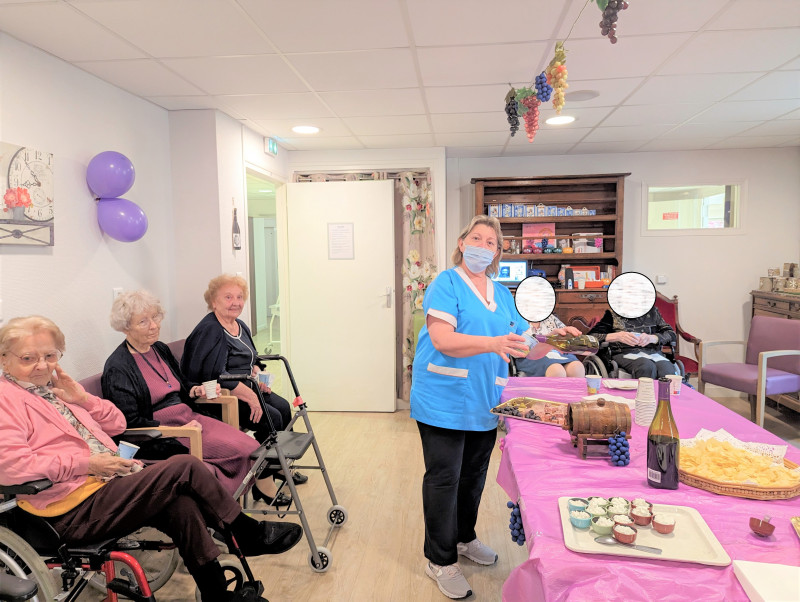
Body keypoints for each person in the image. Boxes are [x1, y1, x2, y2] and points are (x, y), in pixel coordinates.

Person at [0, 316, 302, 602]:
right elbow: (11, 467)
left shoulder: (52, 391)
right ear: (4, 358)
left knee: (181, 505)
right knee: (184, 467)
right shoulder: (6, 399)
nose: (42, 365)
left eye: (50, 356)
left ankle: (217, 594)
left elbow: (117, 424)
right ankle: (246, 532)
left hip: (106, 484)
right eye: (28, 358)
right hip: (66, 508)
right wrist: (88, 464)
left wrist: (82, 399)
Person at [410, 215, 529, 600]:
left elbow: (521, 340)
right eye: (475, 238)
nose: (482, 245)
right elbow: (443, 339)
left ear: (497, 252)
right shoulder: (446, 283)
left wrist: (555, 339)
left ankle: (463, 538)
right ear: (462, 243)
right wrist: (494, 344)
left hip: (485, 398)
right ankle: (440, 559)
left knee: (474, 476)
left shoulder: (501, 291)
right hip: (443, 398)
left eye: (491, 242)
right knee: (445, 478)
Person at [101, 290, 289, 503]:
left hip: (189, 416)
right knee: (241, 451)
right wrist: (178, 430)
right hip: (166, 431)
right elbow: (128, 423)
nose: (154, 325)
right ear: (125, 326)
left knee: (252, 447)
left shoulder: (159, 349)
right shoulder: (119, 367)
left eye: (155, 317)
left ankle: (233, 500)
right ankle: (223, 505)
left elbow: (181, 384)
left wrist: (194, 390)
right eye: (143, 321)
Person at [181, 274, 307, 489]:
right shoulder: (210, 330)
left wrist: (258, 374)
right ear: (213, 301)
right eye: (228, 297)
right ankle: (262, 480)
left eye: (239, 297)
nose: (236, 302)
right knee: (272, 418)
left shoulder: (238, 324)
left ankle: (279, 468)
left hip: (246, 386)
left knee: (284, 408)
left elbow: (251, 358)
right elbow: (212, 376)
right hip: (219, 396)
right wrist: (250, 396)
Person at [589, 307, 679, 378]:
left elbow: (671, 334)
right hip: (624, 353)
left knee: (666, 368)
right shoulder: (612, 315)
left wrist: (653, 338)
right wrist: (617, 336)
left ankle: (667, 400)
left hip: (653, 353)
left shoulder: (653, 313)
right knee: (646, 366)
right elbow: (592, 337)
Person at [515, 314, 586, 377]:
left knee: (577, 368)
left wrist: (569, 334)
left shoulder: (550, 317)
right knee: (557, 371)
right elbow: (520, 347)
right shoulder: (518, 318)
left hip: (558, 353)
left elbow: (564, 334)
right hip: (532, 355)